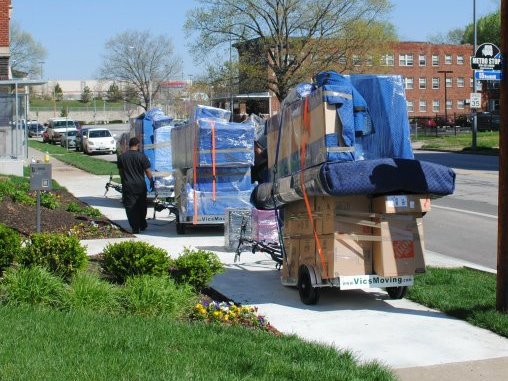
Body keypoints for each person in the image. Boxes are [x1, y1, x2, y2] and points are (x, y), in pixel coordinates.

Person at [117, 137, 154, 234]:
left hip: (128, 186)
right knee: (141, 205)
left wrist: (124, 180)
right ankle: (142, 223)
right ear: (138, 145)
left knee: (130, 207)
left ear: (129, 145)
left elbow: (121, 172)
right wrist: (151, 181)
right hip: (140, 185)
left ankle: (135, 227)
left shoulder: (122, 157)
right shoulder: (142, 156)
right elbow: (148, 171)